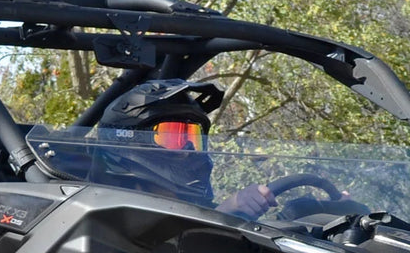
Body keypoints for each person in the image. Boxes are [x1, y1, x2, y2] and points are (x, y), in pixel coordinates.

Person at [91, 78, 277, 219]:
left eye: (192, 137)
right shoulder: (103, 214)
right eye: (171, 136)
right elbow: (159, 249)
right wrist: (227, 210)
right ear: (127, 141)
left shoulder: (185, 205)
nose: (188, 150)